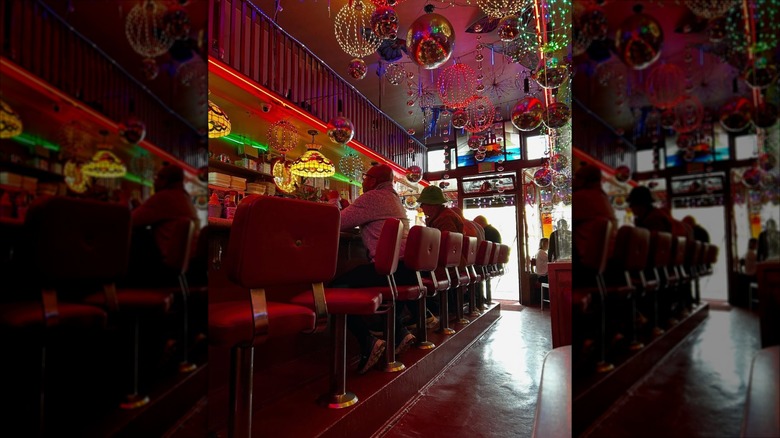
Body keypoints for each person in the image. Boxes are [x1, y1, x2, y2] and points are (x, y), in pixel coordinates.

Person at [332, 164, 416, 374]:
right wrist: (350, 207)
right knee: (357, 279)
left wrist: (333, 201)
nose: (362, 181)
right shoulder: (393, 199)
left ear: (373, 181)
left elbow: (336, 222)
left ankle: (367, 340)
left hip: (387, 271)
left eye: (365, 177)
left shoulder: (372, 198)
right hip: (404, 270)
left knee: (334, 289)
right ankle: (398, 332)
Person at [127, 163, 199, 286]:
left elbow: (129, 221)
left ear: (167, 180)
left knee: (136, 238)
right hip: (188, 267)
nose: (154, 181)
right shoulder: (184, 197)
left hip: (164, 267)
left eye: (158, 177)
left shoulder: (164, 197)